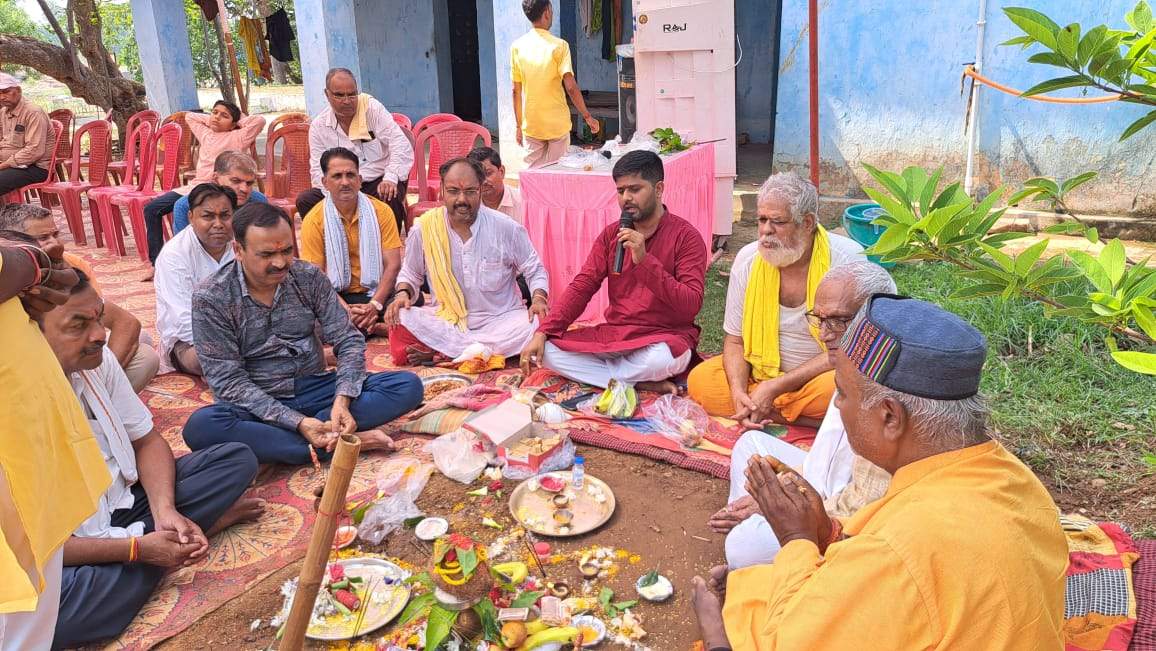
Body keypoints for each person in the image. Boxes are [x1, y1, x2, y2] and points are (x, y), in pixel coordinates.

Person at [690, 295, 1068, 650]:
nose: (837, 407)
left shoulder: (898, 551)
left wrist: (717, 634)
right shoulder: (1014, 478)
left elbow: (798, 636)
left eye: (842, 394)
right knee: (752, 587)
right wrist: (824, 532)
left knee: (745, 610)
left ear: (890, 417)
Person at [39, 270, 263, 649]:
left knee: (234, 459)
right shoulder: (15, 407)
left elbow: (147, 441)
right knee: (57, 617)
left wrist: (165, 511)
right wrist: (138, 551)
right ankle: (172, 545)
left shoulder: (98, 361)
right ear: (35, 338)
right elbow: (41, 549)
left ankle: (166, 536)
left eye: (98, 318)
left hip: (124, 503)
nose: (99, 334)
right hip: (66, 546)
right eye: (79, 325)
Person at [181, 202, 423, 465]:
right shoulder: (211, 297)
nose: (280, 262)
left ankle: (296, 441)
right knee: (202, 427)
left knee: (406, 386)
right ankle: (344, 442)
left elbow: (348, 338)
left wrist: (342, 400)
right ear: (238, 250)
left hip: (315, 386)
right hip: (257, 400)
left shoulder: (307, 277)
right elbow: (228, 382)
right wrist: (296, 422)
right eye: (266, 255)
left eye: (286, 251)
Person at [709, 261, 896, 569]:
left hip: (836, 520)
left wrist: (773, 504)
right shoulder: (854, 363)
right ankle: (747, 524)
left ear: (879, 317)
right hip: (815, 483)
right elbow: (822, 461)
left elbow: (860, 508)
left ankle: (764, 548)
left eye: (838, 321)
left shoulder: (887, 394)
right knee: (751, 445)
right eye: (819, 319)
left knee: (743, 546)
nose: (824, 335)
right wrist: (774, 493)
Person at [687, 172, 865, 427]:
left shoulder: (846, 261)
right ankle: (774, 412)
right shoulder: (748, 260)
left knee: (848, 387)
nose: (765, 231)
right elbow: (735, 341)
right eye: (761, 220)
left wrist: (774, 387)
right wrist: (738, 393)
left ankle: (770, 410)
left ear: (807, 223)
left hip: (821, 377)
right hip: (758, 376)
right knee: (702, 381)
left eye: (777, 222)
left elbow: (852, 348)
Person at [0, 234, 108, 651]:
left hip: (29, 434)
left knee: (35, 603)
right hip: (12, 446)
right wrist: (32, 263)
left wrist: (32, 270)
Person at [521, 151, 707, 391]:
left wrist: (645, 261)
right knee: (547, 352)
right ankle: (638, 383)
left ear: (659, 188)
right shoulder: (612, 235)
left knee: (663, 358)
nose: (626, 198)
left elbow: (691, 304)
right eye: (620, 191)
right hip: (617, 335)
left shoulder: (686, 237)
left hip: (663, 336)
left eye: (635, 189)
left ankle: (615, 378)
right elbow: (583, 285)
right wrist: (544, 331)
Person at [383, 158, 550, 365]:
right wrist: (402, 294)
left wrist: (539, 299)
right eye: (453, 191)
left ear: (480, 190)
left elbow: (535, 269)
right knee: (400, 316)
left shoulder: (506, 228)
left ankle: (445, 354)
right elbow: (411, 273)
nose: (461, 199)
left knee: (539, 323)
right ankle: (475, 354)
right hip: (448, 321)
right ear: (442, 190)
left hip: (502, 321)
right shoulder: (424, 229)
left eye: (470, 191)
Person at [0, 203, 160, 393]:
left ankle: (103, 400)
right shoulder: (11, 283)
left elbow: (125, 322)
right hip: (35, 379)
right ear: (10, 244)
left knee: (143, 346)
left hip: (76, 367)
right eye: (43, 238)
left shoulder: (70, 265)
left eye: (56, 234)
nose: (56, 245)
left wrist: (105, 376)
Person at [142, 100, 265, 270]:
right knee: (155, 208)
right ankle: (158, 263)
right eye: (215, 112)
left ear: (233, 123)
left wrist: (237, 122)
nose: (217, 117)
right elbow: (190, 117)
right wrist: (213, 119)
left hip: (228, 187)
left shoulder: (239, 136)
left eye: (224, 115)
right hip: (197, 187)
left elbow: (259, 121)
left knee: (261, 201)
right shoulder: (206, 134)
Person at [299, 147, 402, 337]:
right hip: (338, 295)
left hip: (377, 292)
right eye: (337, 176)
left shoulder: (381, 211)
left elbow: (393, 264)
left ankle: (361, 326)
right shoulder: (314, 219)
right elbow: (317, 277)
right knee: (305, 320)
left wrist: (374, 305)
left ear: (360, 180)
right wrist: (346, 311)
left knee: (409, 302)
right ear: (325, 182)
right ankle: (378, 327)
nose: (345, 182)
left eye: (350, 175)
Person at [297, 68, 413, 231]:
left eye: (351, 95)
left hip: (377, 179)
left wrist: (391, 177)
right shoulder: (319, 126)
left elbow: (400, 143)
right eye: (339, 95)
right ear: (327, 94)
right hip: (342, 184)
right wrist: (333, 195)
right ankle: (332, 250)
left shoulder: (372, 109)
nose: (346, 101)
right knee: (306, 200)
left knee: (388, 195)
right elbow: (317, 169)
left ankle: (387, 251)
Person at [154, 183, 239, 376]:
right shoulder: (175, 254)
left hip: (243, 332)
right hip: (193, 342)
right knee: (210, 356)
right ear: (191, 217)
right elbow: (183, 320)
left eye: (225, 216)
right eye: (208, 216)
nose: (218, 224)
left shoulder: (242, 245)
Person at [512, 0, 600, 168]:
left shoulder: (517, 47)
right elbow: (571, 87)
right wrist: (587, 116)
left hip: (532, 124)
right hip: (557, 124)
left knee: (534, 175)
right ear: (547, 12)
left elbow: (516, 91)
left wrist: (518, 126)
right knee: (558, 173)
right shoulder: (559, 46)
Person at [171, 151, 266, 234]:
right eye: (236, 181)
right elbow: (183, 249)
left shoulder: (258, 202)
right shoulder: (186, 206)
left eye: (249, 183)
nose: (244, 189)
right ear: (216, 178)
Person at [0, 72, 52, 197]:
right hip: (11, 165)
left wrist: (3, 165)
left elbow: (34, 150)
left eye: (6, 91)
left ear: (18, 90)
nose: (2, 97)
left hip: (34, 167)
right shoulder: (3, 112)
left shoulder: (33, 112)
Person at [467, 146, 523, 224]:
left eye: (488, 173)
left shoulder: (522, 203)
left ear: (502, 172)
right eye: (477, 176)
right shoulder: (468, 207)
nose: (483, 182)